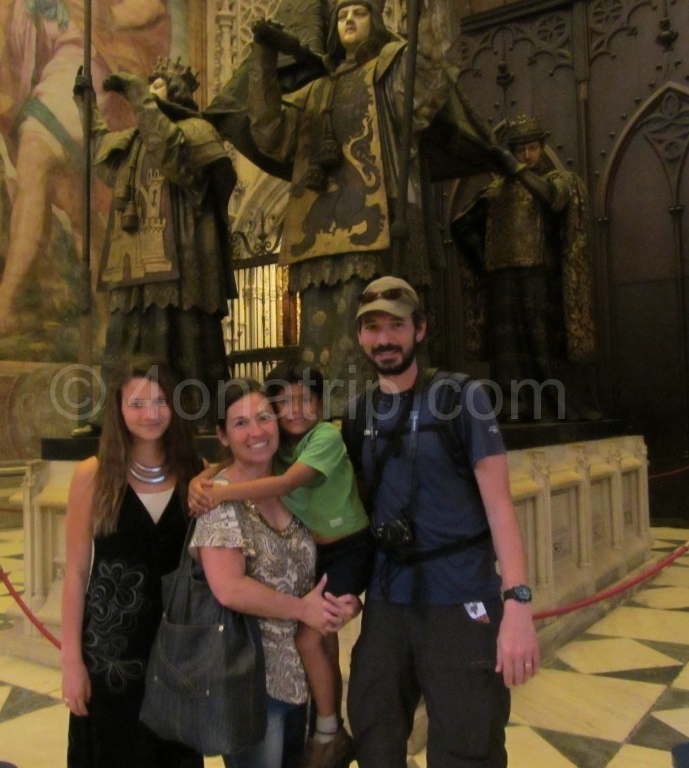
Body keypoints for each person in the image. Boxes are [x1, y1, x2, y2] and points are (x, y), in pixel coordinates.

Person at [342, 276, 540, 768]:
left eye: (396, 325)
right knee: (376, 735)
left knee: (467, 744)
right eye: (372, 328)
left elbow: (500, 507)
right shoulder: (356, 413)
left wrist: (517, 604)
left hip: (461, 598)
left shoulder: (461, 399)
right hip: (388, 602)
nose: (384, 338)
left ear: (420, 329)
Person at [245, 0, 451, 411]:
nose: (350, 21)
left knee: (376, 318)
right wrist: (263, 58)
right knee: (320, 332)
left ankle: (381, 409)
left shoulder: (390, 68)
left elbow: (427, 86)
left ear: (376, 21)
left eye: (359, 12)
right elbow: (271, 133)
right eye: (342, 15)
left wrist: (429, 15)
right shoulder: (316, 91)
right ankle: (327, 411)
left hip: (377, 219)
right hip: (321, 229)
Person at [190, 363, 372, 768]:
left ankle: (330, 727)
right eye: (240, 423)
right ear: (223, 435)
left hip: (302, 685)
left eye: (262, 418)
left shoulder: (298, 465)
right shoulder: (218, 502)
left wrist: (347, 603)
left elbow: (322, 567)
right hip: (253, 682)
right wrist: (208, 484)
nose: (256, 431)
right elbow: (229, 589)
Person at [0, 0, 171, 336]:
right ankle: (106, 321)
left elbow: (150, 10)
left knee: (34, 162)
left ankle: (4, 300)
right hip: (67, 81)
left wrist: (98, 13)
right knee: (82, 216)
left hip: (82, 83)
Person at [60, 355, 204, 768]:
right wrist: (71, 660)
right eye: (137, 403)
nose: (150, 413)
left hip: (177, 652)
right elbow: (75, 571)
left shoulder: (195, 472)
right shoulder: (94, 475)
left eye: (160, 402)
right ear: (119, 409)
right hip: (112, 653)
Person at [73, 61, 236, 422]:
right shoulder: (134, 140)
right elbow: (103, 157)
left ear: (177, 91)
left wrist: (136, 95)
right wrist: (85, 106)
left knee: (180, 339)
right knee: (127, 338)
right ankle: (115, 419)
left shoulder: (196, 130)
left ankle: (191, 415)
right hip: (135, 259)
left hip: (181, 257)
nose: (150, 91)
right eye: (149, 85)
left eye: (158, 85)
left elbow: (173, 157)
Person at [451, 114, 597, 421]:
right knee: (507, 351)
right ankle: (515, 406)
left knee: (542, 345)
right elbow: (460, 224)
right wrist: (485, 261)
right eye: (519, 150)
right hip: (502, 279)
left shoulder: (557, 180)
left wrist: (516, 170)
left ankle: (555, 405)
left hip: (539, 276)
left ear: (542, 147)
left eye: (532, 148)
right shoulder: (495, 191)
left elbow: (554, 200)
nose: (526, 155)